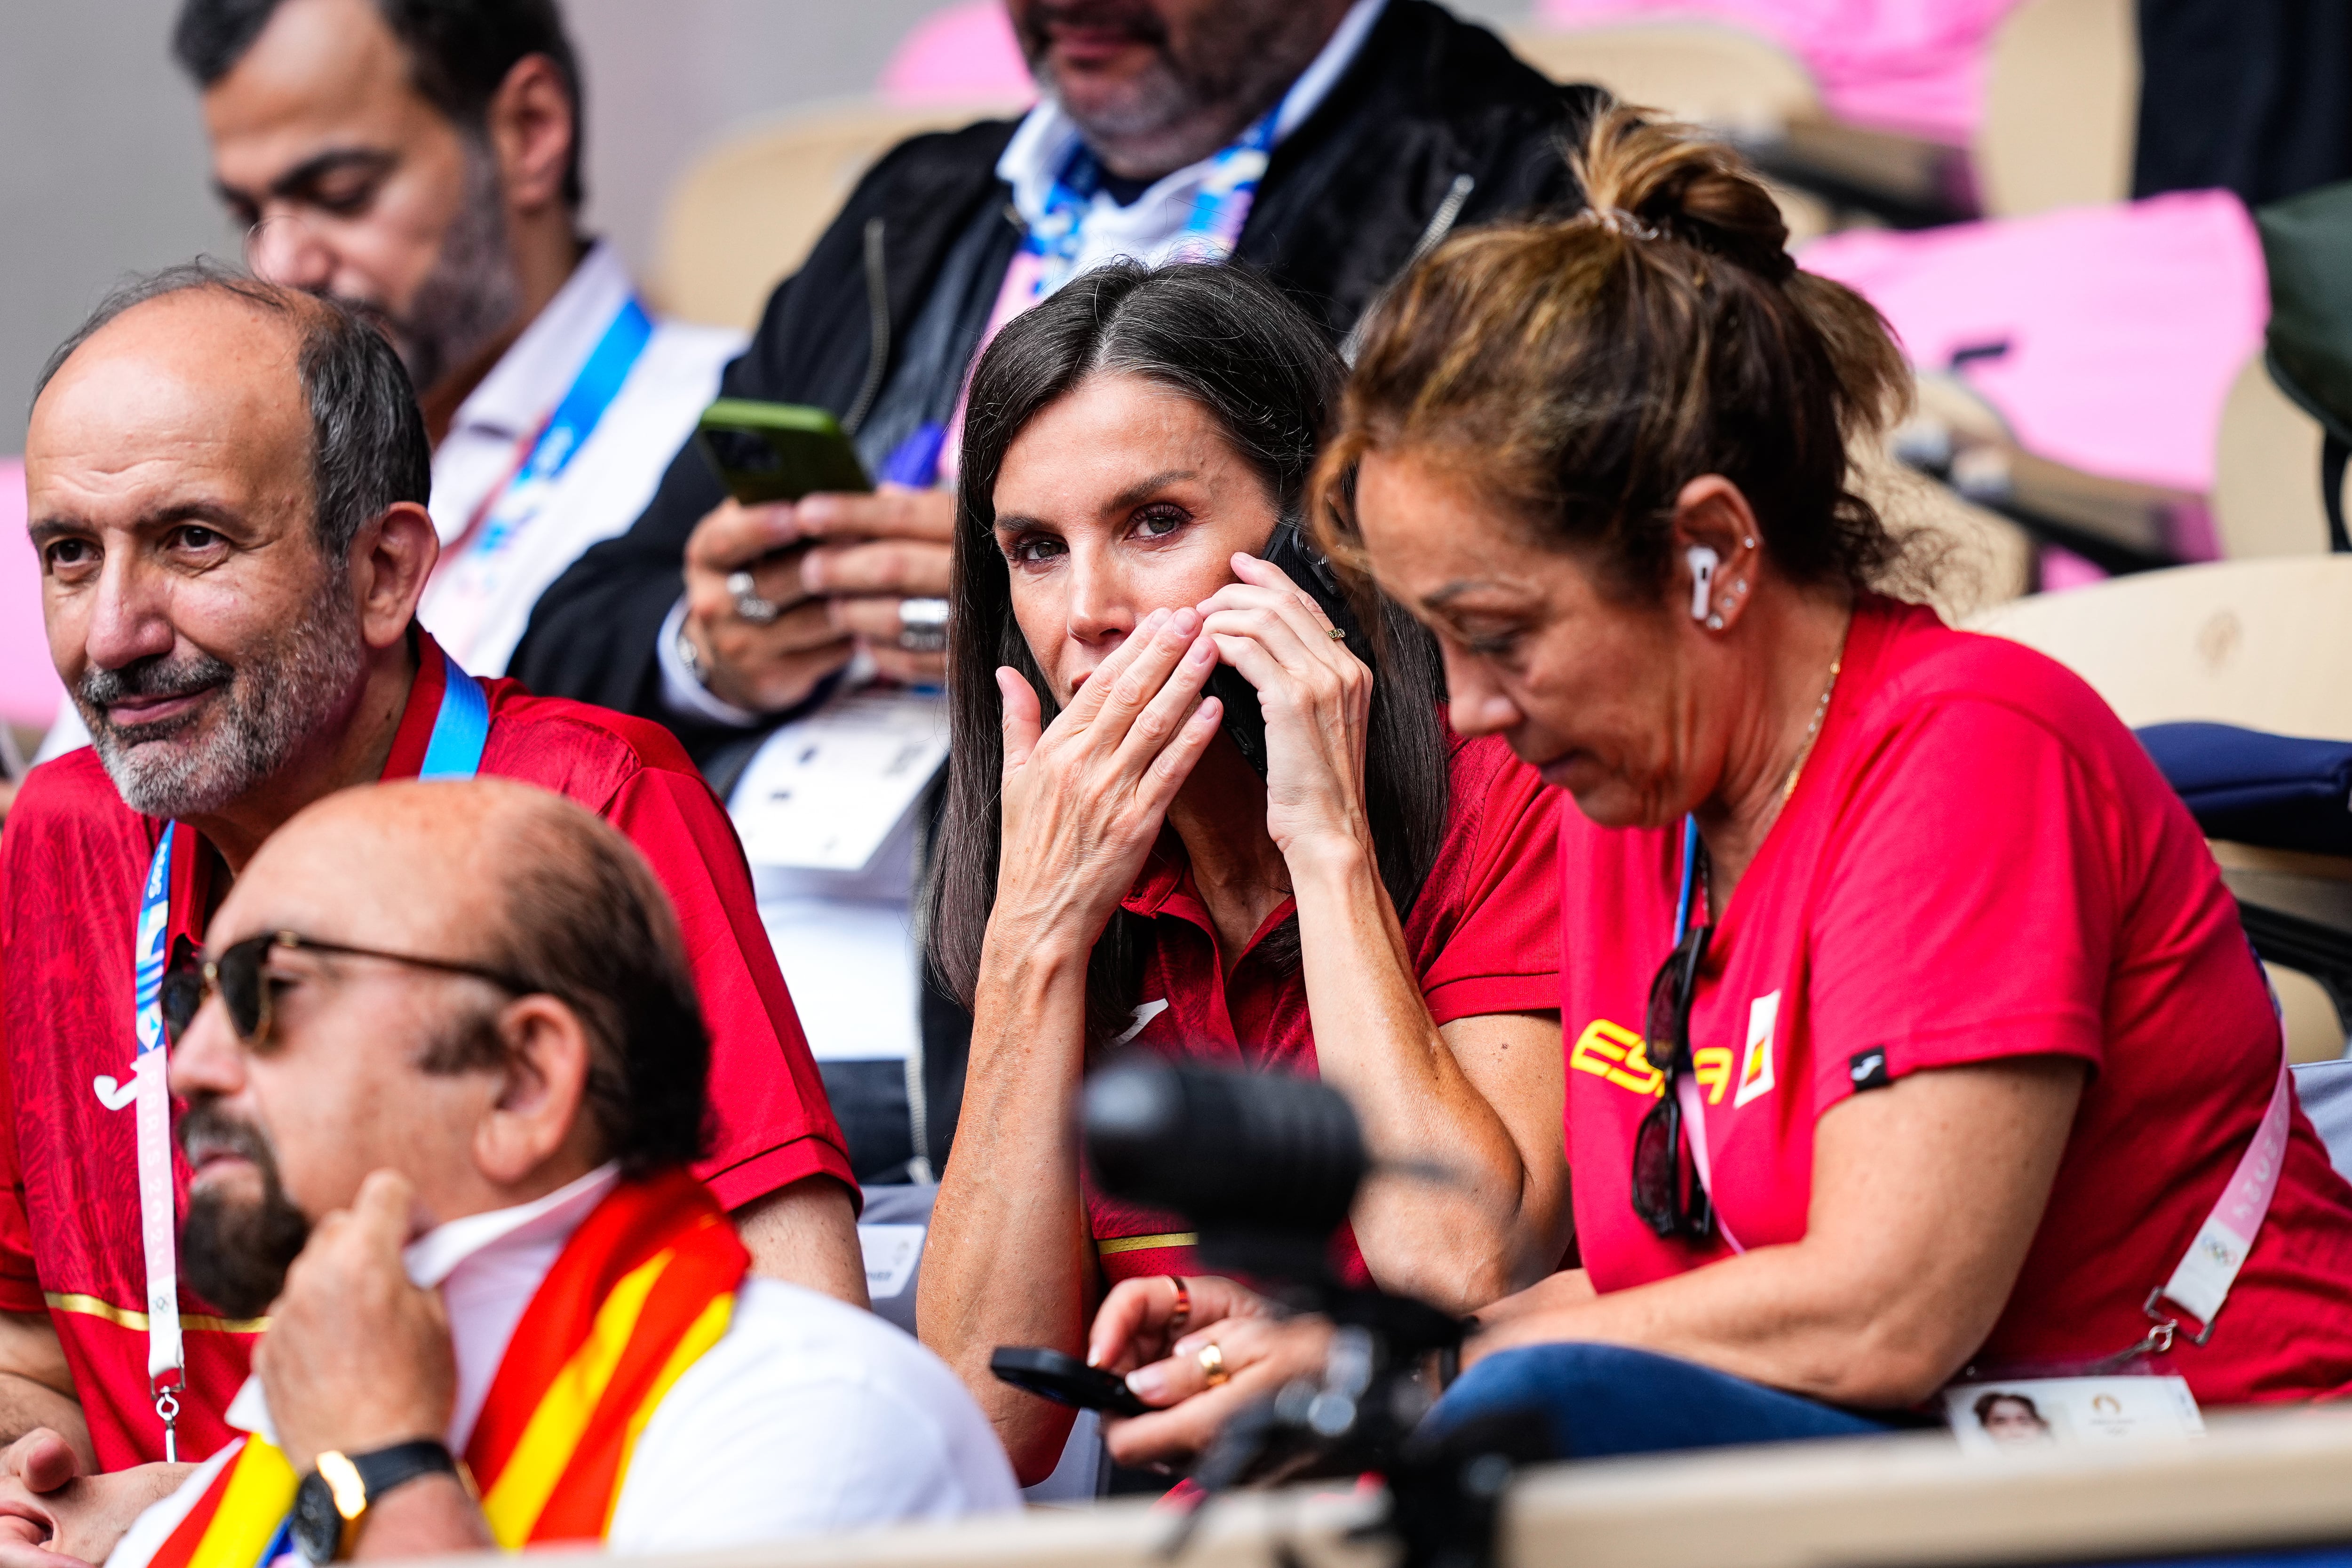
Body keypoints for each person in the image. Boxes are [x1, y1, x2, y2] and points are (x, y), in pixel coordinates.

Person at [1088, 111, 2352, 1470]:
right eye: (1438, 643)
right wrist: (1344, 1340)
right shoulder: (1630, 809)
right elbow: (1660, 1305)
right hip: (1925, 1477)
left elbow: (1883, 1313)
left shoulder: (1971, 752)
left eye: (1503, 634)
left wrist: (1444, 1361)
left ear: (1710, 553)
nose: (1465, 710)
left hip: (2218, 1483)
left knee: (1522, 1424)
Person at [508, 0, 1605, 1178]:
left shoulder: (1528, 183)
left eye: (1155, 519)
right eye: (1028, 545)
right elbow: (570, 635)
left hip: (1048, 997)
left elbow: (1554, 627)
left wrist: (1016, 607)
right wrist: (716, 642)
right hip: (710, 1001)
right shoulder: (913, 204)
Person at [0, 269, 864, 1504]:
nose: (115, 633)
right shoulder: (66, 829)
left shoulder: (589, 807)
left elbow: (800, 1374)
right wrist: (36, 1481)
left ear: (385, 568)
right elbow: (29, 1342)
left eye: (194, 538)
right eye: (71, 555)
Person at [914, 262, 1570, 1484]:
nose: (1091, 611)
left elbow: (1468, 1270)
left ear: (1319, 535)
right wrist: (1036, 940)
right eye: (1035, 549)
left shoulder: (1511, 790)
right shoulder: (1058, 870)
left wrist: (1328, 845)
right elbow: (981, 1418)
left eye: (1155, 522)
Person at [2, 779, 1013, 1568]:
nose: (189, 1066)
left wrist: (386, 1472)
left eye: (268, 991)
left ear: (523, 1079)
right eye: (191, 1003)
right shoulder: (279, 1446)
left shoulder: (811, 1417)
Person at [171, 0, 745, 681]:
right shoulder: (246, 448)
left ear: (530, 132)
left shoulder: (729, 431)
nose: (280, 266)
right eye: (249, 214)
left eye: (341, 192)